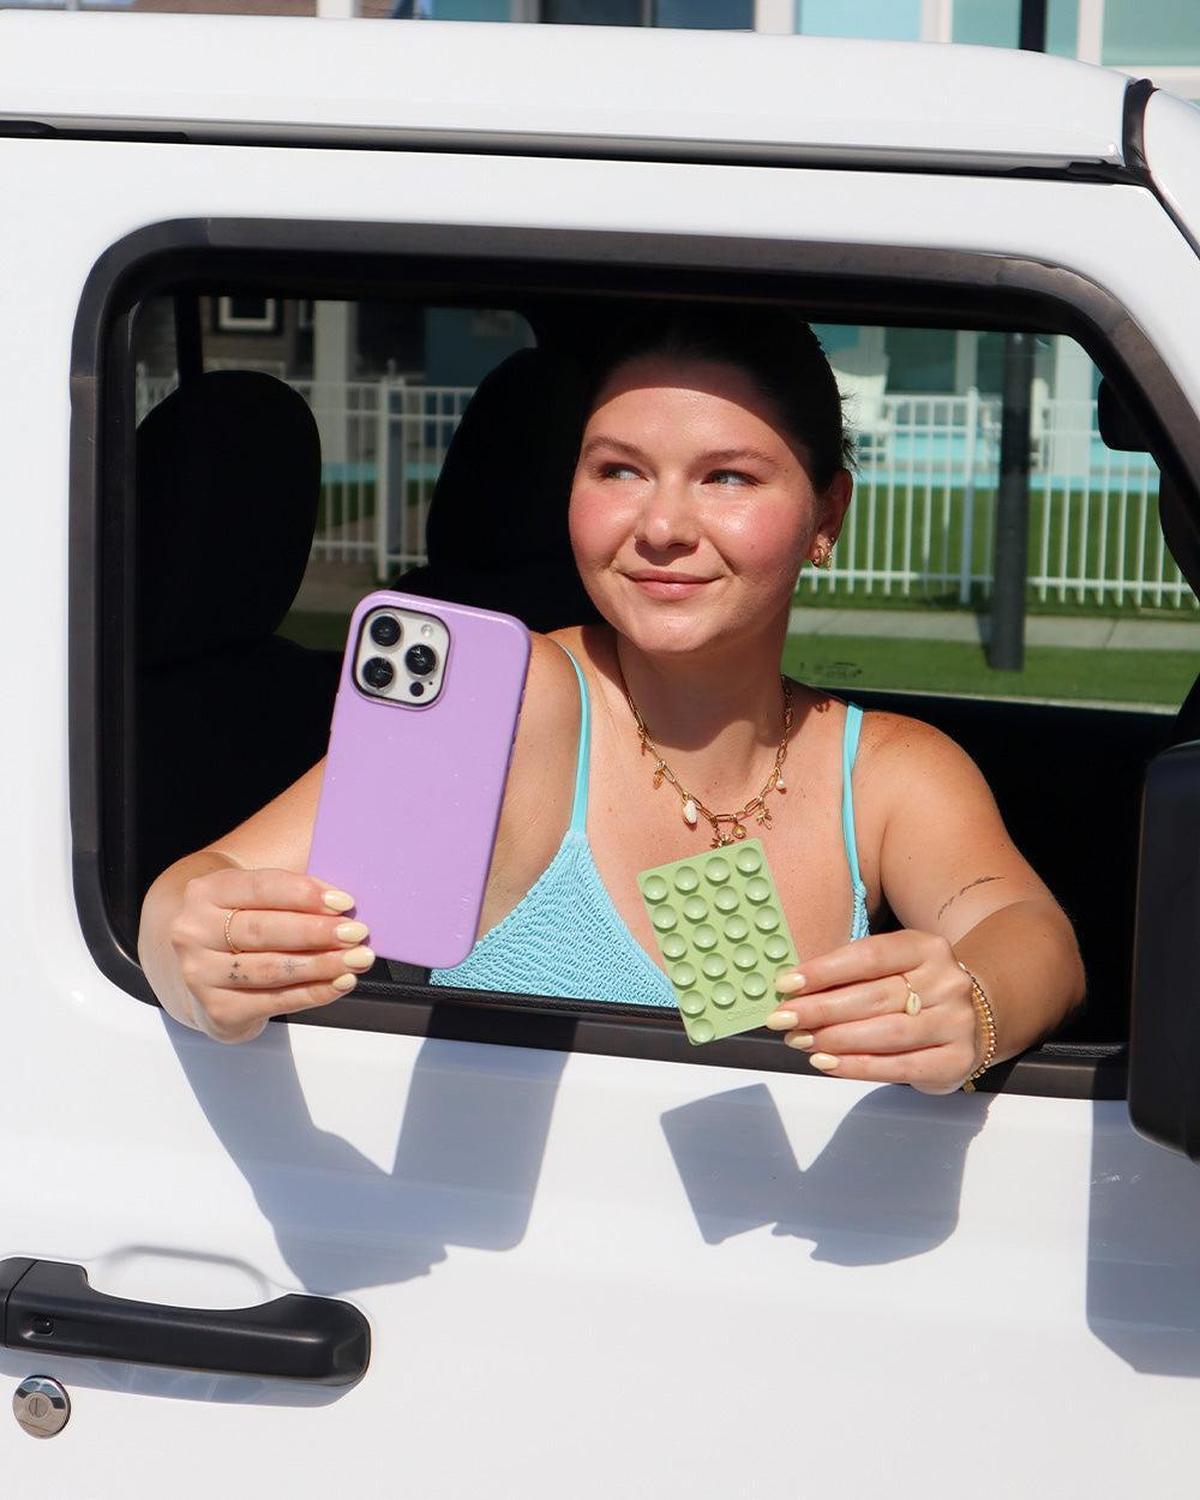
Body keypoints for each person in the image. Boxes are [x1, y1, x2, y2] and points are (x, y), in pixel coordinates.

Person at [138, 308, 1085, 1093]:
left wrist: (973, 1006)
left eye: (727, 477)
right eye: (618, 470)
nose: (662, 525)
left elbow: (1031, 935)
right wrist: (201, 957)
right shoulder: (512, 698)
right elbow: (194, 894)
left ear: (825, 515)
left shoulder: (887, 770)